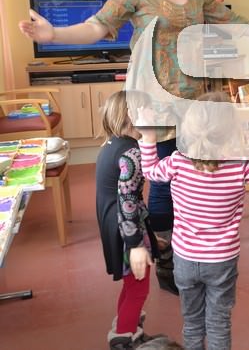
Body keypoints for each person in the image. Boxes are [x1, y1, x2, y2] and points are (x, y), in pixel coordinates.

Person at [18, 0, 249, 295]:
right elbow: (96, 27)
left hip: (198, 106)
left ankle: (199, 252)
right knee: (162, 180)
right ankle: (168, 261)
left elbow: (237, 22)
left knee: (202, 176)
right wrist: (54, 35)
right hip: (156, 104)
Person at [138, 91, 249, 350]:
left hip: (185, 259)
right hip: (221, 261)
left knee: (192, 323)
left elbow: (149, 171)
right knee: (218, 324)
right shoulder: (240, 166)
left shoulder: (177, 162)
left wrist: (148, 136)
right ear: (231, 131)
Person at [96, 90, 163, 350]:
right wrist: (136, 244)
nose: (154, 113)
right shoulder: (132, 154)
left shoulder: (111, 145)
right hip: (126, 227)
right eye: (149, 108)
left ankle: (128, 326)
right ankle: (124, 339)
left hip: (116, 223)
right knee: (138, 287)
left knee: (130, 283)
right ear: (132, 116)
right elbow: (127, 200)